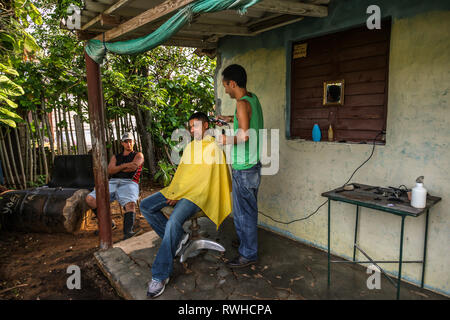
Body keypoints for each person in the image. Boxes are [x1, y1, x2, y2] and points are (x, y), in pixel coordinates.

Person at [140, 112, 232, 298]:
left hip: (198, 196)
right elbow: (183, 175)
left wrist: (181, 193)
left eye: (195, 126)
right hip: (181, 191)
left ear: (205, 125)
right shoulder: (190, 147)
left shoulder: (214, 148)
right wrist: (176, 191)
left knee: (173, 221)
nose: (192, 129)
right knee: (146, 205)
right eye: (190, 126)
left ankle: (160, 275)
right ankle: (180, 237)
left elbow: (204, 181)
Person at [217, 64, 264, 268]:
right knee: (248, 209)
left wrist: (225, 140)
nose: (225, 90)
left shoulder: (241, 104)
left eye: (225, 85)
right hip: (252, 164)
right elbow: (247, 119)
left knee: (243, 212)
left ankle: (248, 254)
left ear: (233, 83)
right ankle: (247, 242)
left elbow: (244, 135)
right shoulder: (252, 99)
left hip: (243, 167)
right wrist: (228, 118)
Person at [85, 132, 144, 240]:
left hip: (129, 182)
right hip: (113, 181)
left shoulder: (138, 155)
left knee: (130, 204)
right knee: (90, 199)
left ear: (134, 142)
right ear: (122, 143)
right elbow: (110, 170)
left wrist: (119, 167)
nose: (128, 144)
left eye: (130, 141)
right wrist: (125, 166)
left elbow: (133, 167)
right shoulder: (116, 157)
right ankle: (108, 224)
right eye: (126, 142)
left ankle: (128, 232)